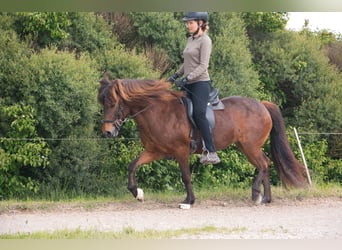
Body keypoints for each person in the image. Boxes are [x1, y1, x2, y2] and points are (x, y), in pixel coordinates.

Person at [168, 12, 220, 164]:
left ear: (201, 23)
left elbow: (203, 65)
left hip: (201, 83)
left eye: (191, 23)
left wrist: (187, 78)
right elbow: (187, 62)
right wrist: (175, 75)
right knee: (177, 110)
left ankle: (211, 151)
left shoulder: (206, 41)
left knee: (198, 113)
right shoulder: (190, 39)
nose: (188, 25)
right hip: (188, 82)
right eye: (187, 23)